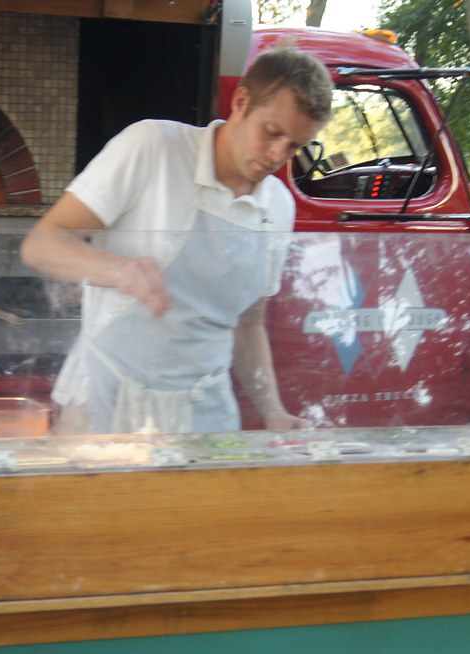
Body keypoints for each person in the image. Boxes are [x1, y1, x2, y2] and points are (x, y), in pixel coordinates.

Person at [19, 48, 334, 435]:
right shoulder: (153, 147)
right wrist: (118, 270)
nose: (277, 155)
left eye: (295, 147)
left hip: (206, 415)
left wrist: (272, 411)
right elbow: (42, 242)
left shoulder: (279, 206)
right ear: (241, 101)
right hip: (109, 399)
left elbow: (249, 324)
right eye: (272, 133)